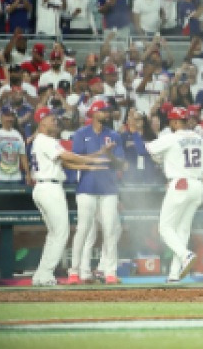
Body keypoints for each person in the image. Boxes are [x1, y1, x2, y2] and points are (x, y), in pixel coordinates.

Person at [26, 107, 109, 287]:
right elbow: (68, 155)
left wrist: (91, 163)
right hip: (50, 188)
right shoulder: (46, 140)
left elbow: (66, 162)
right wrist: (92, 161)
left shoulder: (40, 141)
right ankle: (46, 274)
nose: (54, 120)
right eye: (50, 118)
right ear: (41, 122)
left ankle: (41, 275)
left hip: (43, 187)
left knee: (54, 234)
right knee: (61, 233)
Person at [144, 106, 203, 283]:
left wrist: (142, 131)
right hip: (197, 185)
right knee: (182, 230)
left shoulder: (171, 137)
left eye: (171, 120)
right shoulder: (199, 139)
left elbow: (147, 149)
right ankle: (174, 273)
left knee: (165, 228)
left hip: (180, 184)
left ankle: (185, 255)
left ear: (177, 122)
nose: (170, 123)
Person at [67, 100, 125, 285]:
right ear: (93, 113)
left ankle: (110, 272)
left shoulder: (114, 135)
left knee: (110, 230)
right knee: (83, 230)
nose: (107, 114)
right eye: (103, 111)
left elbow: (121, 164)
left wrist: (108, 155)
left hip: (108, 188)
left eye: (108, 111)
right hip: (87, 187)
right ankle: (76, 272)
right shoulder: (81, 134)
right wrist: (98, 157)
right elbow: (74, 160)